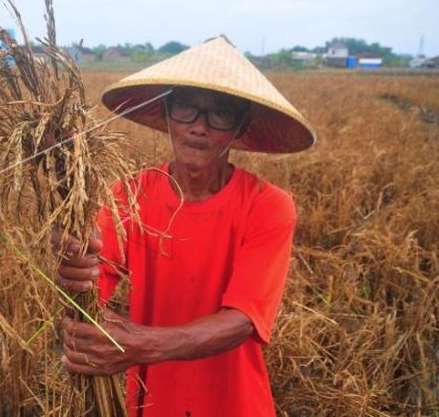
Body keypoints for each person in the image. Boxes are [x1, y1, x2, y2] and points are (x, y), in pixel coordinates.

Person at [56, 36, 316, 416]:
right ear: (165, 113)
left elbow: (243, 321)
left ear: (239, 126)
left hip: (234, 404)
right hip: (151, 404)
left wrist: (139, 344)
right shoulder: (129, 194)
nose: (199, 127)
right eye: (185, 109)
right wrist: (71, 264)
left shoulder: (268, 206)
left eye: (220, 114)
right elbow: (92, 283)